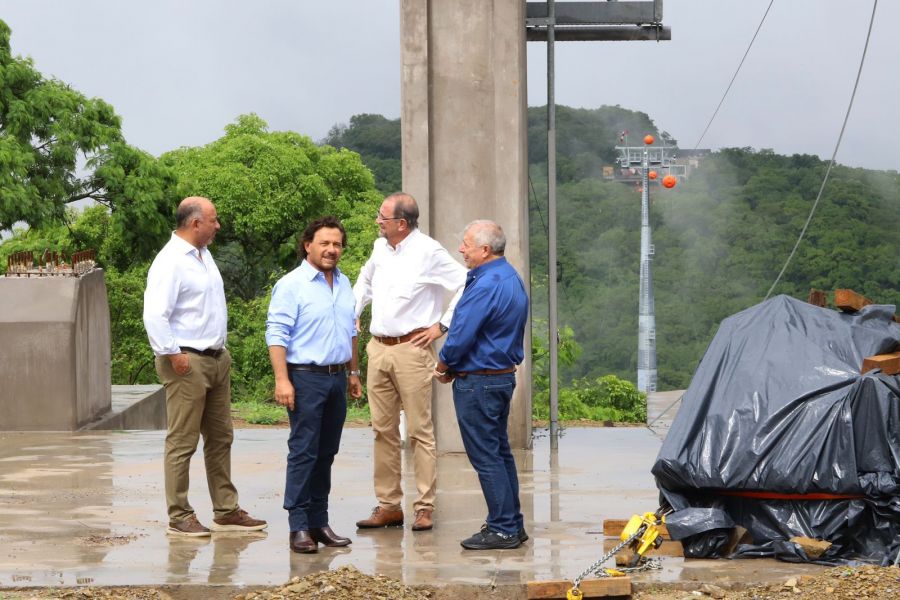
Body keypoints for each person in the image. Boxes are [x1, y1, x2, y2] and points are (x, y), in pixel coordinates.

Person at [143, 196, 267, 537]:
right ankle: (179, 515)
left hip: (216, 358)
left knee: (221, 437)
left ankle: (226, 510)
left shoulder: (203, 255)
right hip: (186, 360)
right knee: (182, 441)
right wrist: (173, 354)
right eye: (213, 220)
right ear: (195, 223)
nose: (218, 226)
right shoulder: (170, 261)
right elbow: (155, 314)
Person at [353, 192, 467, 531]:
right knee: (382, 430)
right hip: (379, 348)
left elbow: (465, 283)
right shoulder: (380, 248)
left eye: (382, 217)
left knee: (419, 431)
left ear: (402, 224)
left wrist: (441, 325)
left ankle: (424, 506)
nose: (377, 221)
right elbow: (365, 281)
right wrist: (352, 313)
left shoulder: (428, 251)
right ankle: (389, 505)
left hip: (412, 350)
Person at [266, 216, 363, 554]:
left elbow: (351, 331)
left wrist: (354, 373)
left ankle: (320, 522)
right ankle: (299, 526)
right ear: (308, 245)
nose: (331, 250)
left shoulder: (345, 282)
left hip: (337, 378)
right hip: (305, 377)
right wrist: (282, 380)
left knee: (327, 452)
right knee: (304, 451)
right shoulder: (291, 285)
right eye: (324, 243)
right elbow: (276, 334)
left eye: (336, 244)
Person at [434, 220, 529, 550]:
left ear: (485, 250)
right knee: (500, 453)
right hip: (500, 378)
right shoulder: (509, 277)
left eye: (466, 244)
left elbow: (461, 333)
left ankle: (502, 528)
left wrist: (444, 363)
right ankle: (512, 523)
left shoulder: (486, 284)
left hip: (479, 382)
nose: (461, 249)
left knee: (487, 456)